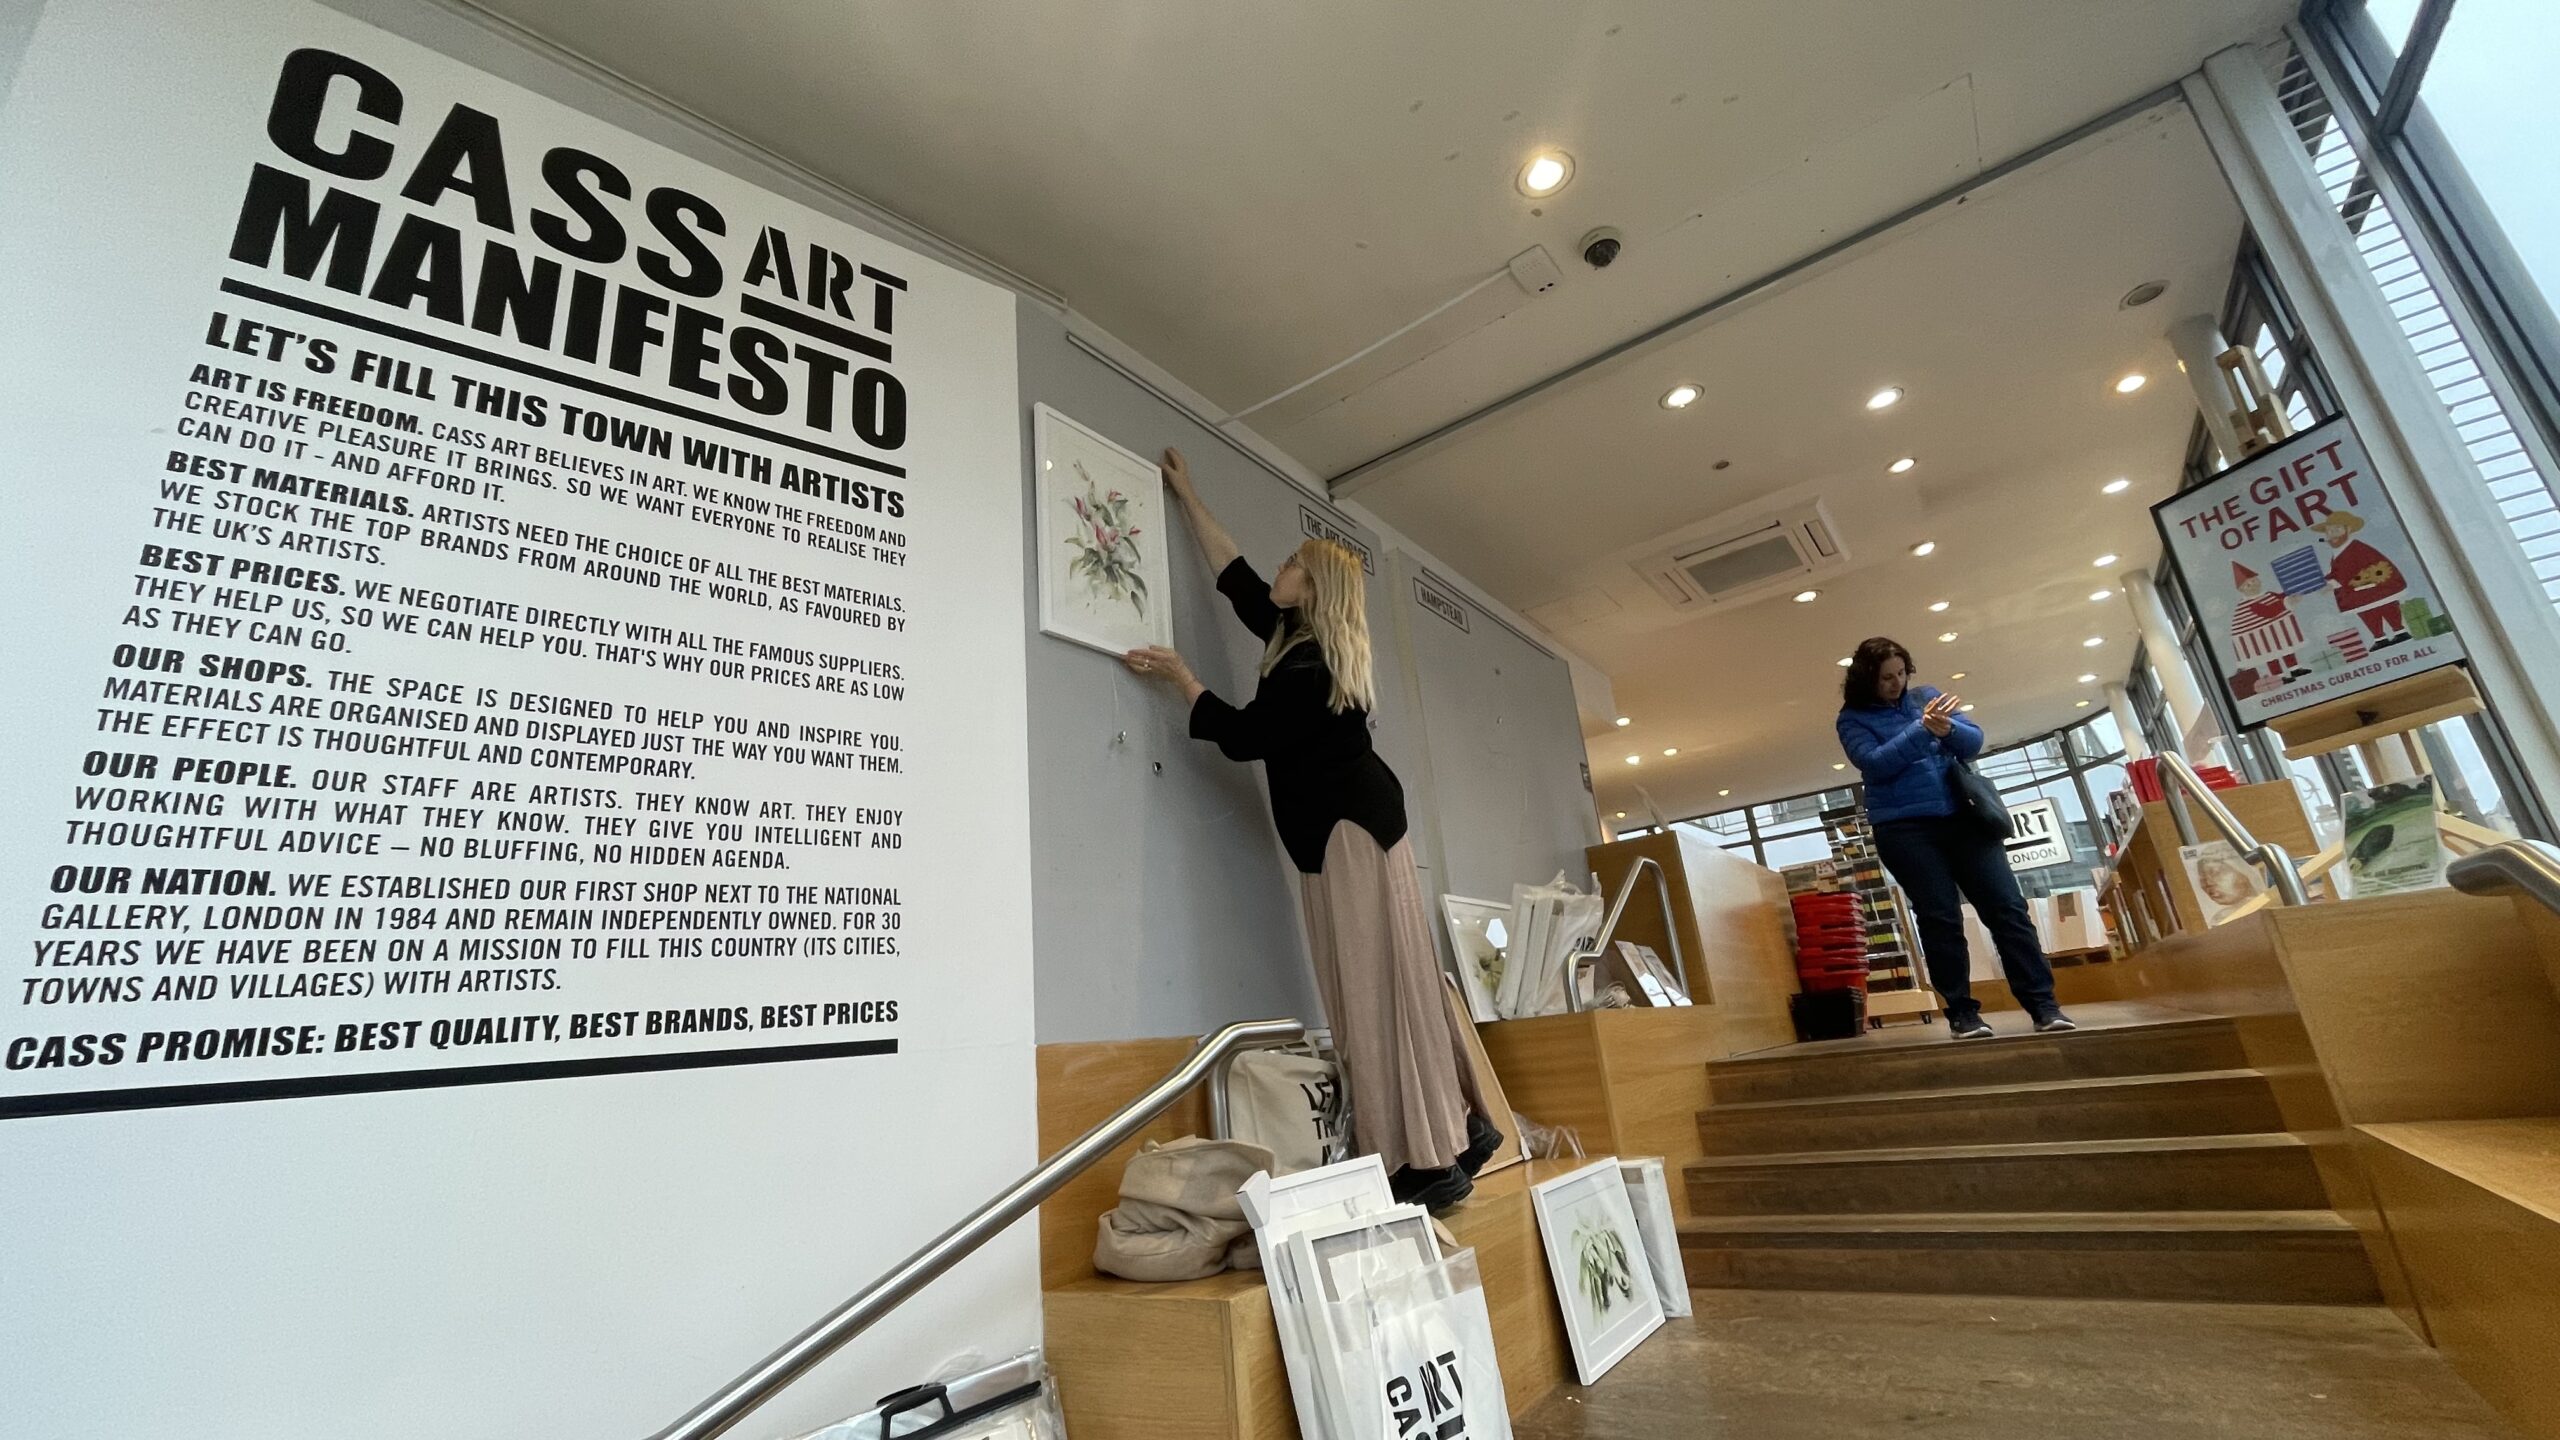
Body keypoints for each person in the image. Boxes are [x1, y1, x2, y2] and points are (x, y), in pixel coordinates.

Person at [1124, 446, 1498, 1208]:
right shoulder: (1296, 639)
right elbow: (1234, 575)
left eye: (1293, 563)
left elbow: (1242, 735)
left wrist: (1183, 678)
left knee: (1367, 991)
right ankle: (1451, 1133)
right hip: (1362, 829)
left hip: (1346, 836)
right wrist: (1187, 492)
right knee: (1395, 983)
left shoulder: (1308, 668)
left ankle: (1417, 1162)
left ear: (1313, 587)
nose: (1281, 566)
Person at [1834, 637, 2074, 1040]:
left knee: (2008, 909)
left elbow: (1973, 741)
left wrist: (1948, 729)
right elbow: (1874, 764)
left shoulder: (1926, 697)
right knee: (1940, 918)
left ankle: (2043, 1005)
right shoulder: (1851, 719)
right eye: (1886, 678)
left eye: (1901, 673)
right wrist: (1921, 729)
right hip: (1905, 829)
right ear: (1867, 678)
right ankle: (1962, 1013)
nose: (1897, 683)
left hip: (1965, 816)